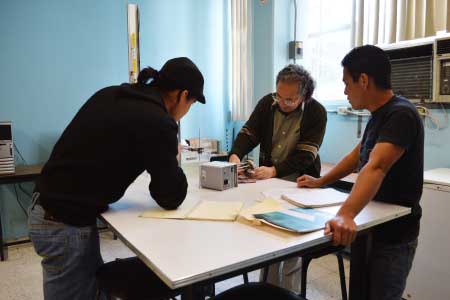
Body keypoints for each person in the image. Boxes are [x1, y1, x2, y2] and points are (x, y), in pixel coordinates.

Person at [28, 57, 206, 300]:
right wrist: (172, 154)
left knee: (91, 289)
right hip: (63, 221)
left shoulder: (113, 94)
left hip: (49, 207)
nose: (186, 112)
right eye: (192, 103)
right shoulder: (158, 121)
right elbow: (171, 195)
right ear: (182, 95)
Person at [297, 45, 423, 300]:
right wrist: (321, 181)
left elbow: (375, 166)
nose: (344, 91)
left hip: (393, 236)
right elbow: (356, 157)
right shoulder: (379, 115)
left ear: (363, 80)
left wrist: (345, 214)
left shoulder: (402, 114)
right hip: (370, 228)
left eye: (346, 83)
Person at [229, 64, 327, 292]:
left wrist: (274, 170)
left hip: (301, 185)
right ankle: (268, 292)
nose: (283, 103)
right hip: (269, 187)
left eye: (290, 100)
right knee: (269, 241)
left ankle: (290, 294)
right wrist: (235, 154)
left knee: (294, 247)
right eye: (280, 96)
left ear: (305, 95)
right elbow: (248, 132)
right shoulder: (267, 103)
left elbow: (306, 155)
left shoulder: (316, 112)